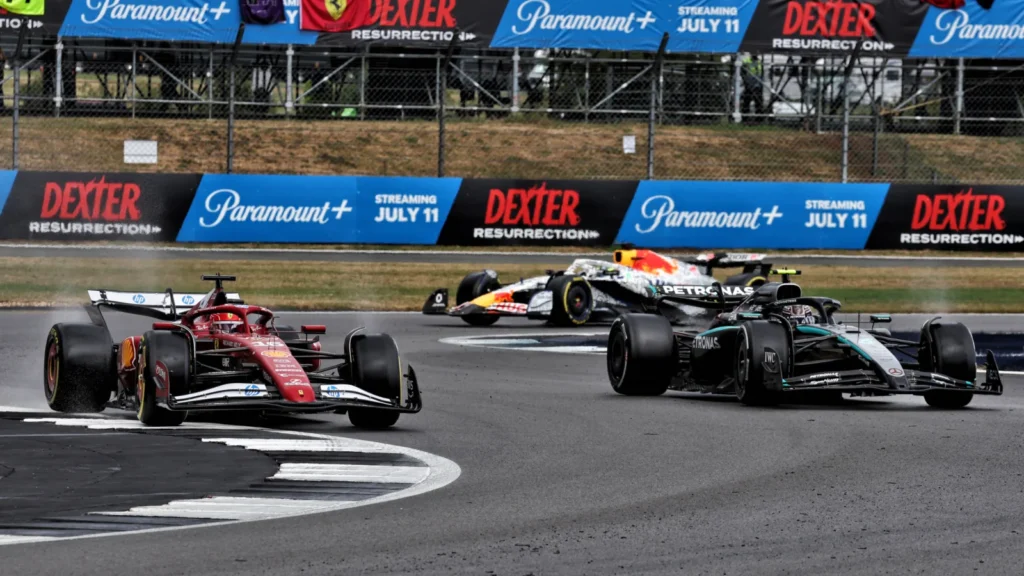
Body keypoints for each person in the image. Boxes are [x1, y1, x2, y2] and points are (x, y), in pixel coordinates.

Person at [740, 54, 764, 122]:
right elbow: (742, 72)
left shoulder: (760, 62)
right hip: (749, 85)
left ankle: (759, 119)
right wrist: (746, 81)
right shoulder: (746, 61)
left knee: (758, 103)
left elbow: (761, 73)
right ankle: (745, 119)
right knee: (746, 102)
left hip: (758, 85)